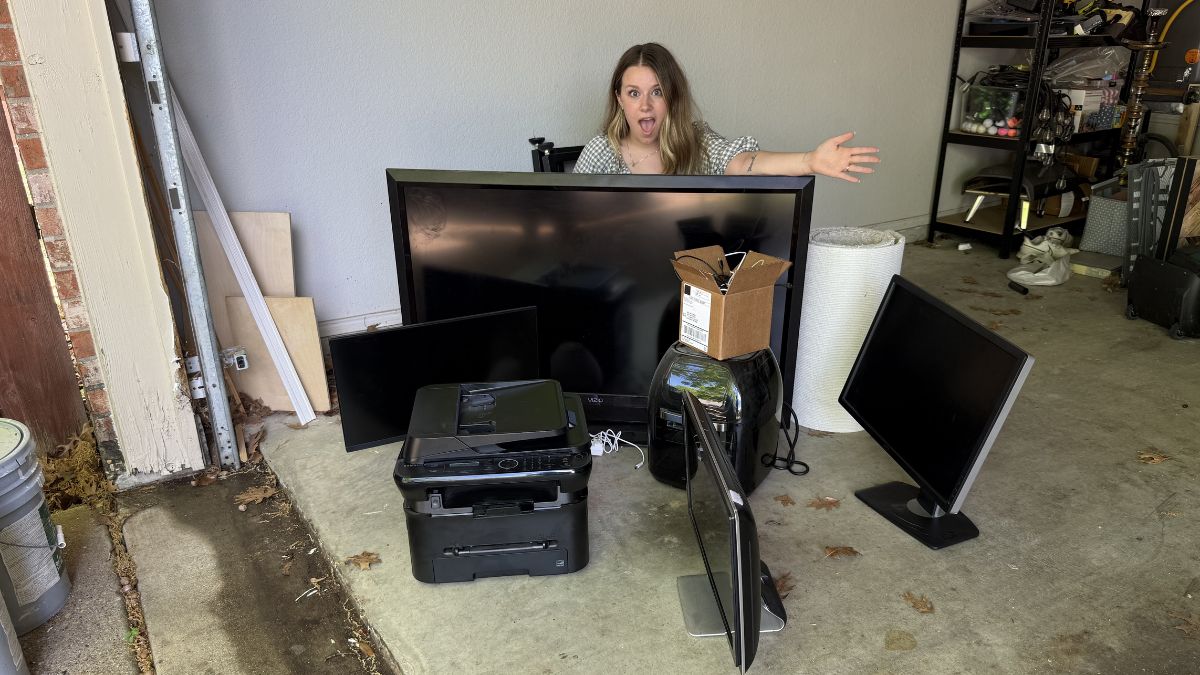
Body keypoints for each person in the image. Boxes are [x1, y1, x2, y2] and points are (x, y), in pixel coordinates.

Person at [574, 43, 879, 180]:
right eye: (633, 93)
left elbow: (741, 162)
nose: (645, 105)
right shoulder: (602, 151)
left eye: (657, 92)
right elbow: (574, 223)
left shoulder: (696, 141)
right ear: (619, 99)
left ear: (673, 97)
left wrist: (809, 161)